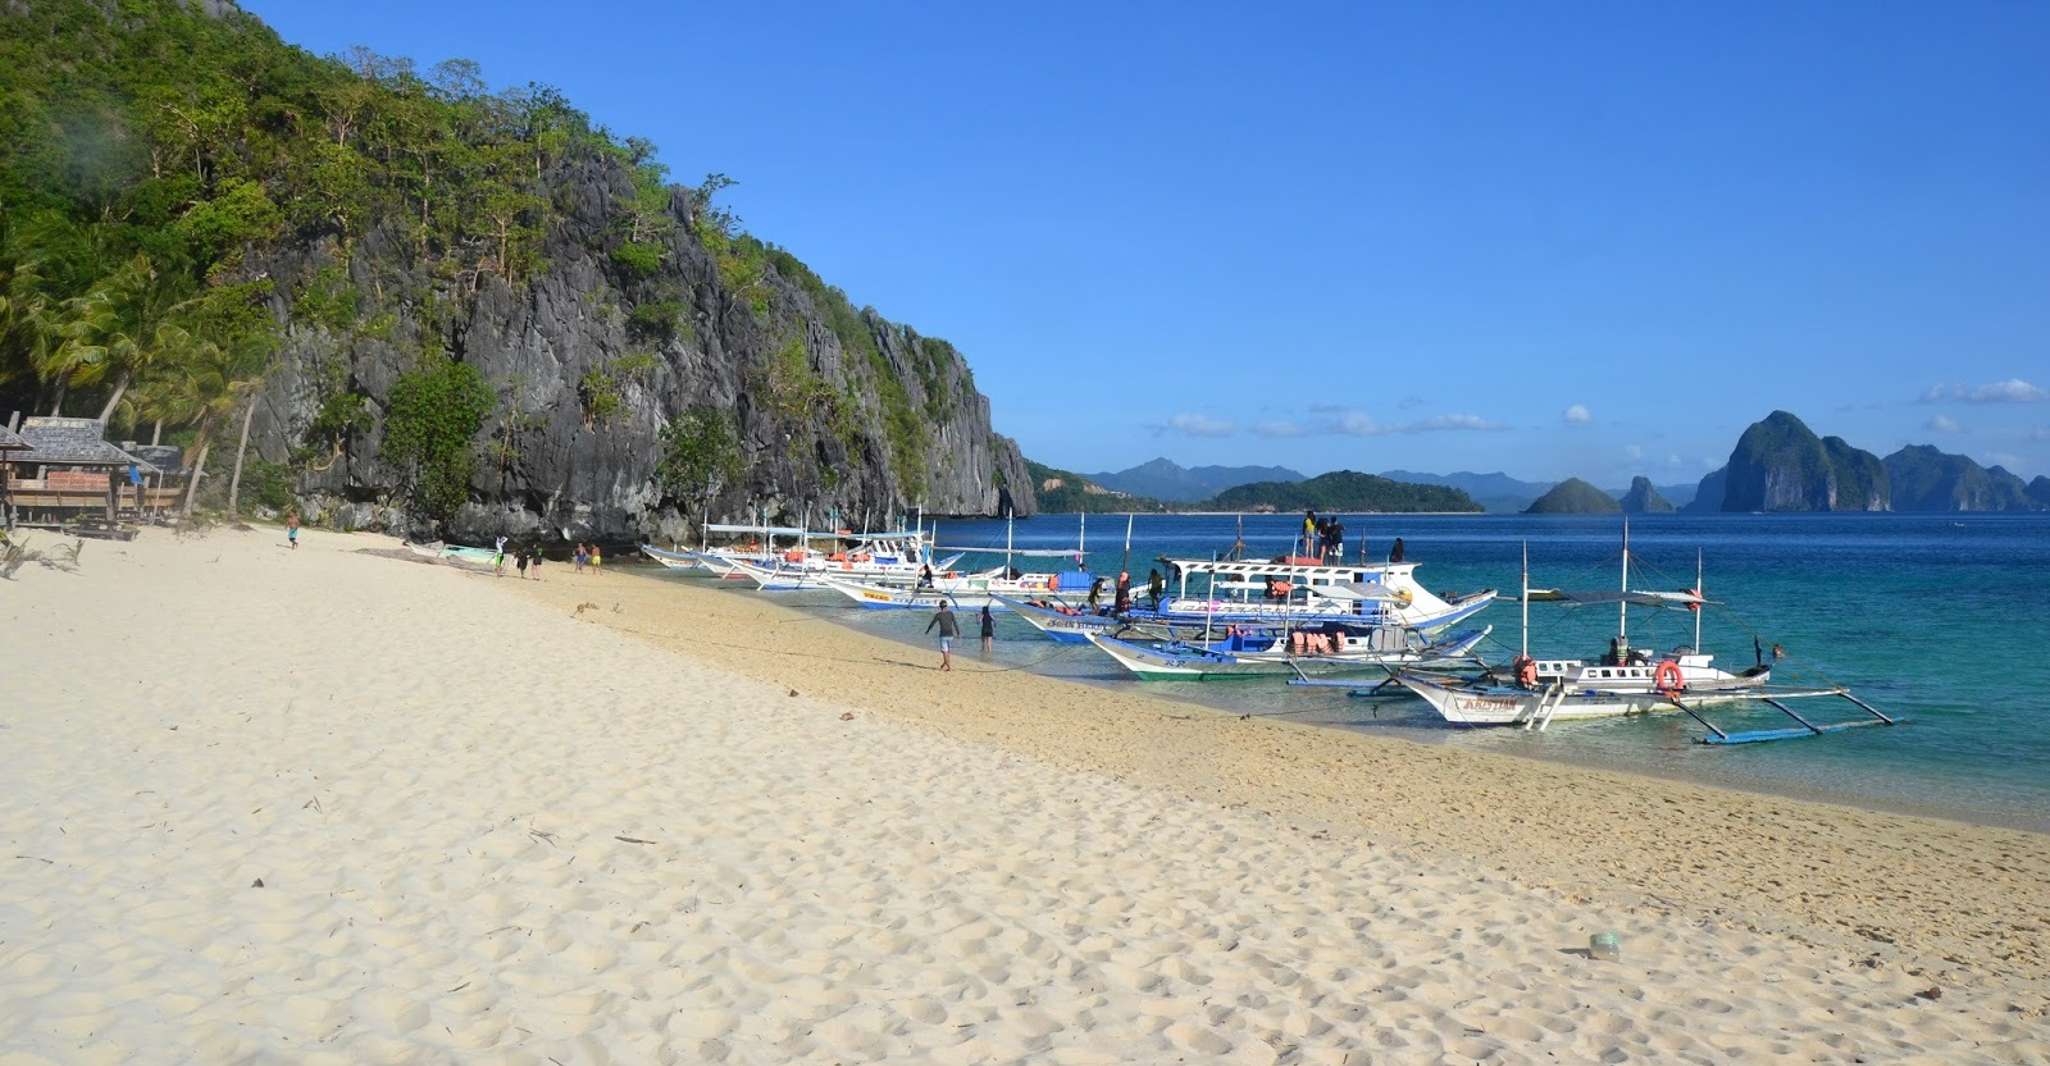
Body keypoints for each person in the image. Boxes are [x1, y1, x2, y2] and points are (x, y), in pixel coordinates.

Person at [926, 600, 960, 671]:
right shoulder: (951, 613)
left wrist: (928, 630)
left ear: (940, 607)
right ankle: (945, 663)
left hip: (943, 635)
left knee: (945, 651)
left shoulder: (938, 615)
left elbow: (932, 623)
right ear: (946, 606)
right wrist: (958, 632)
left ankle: (949, 667)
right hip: (950, 635)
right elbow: (955, 623)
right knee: (948, 651)